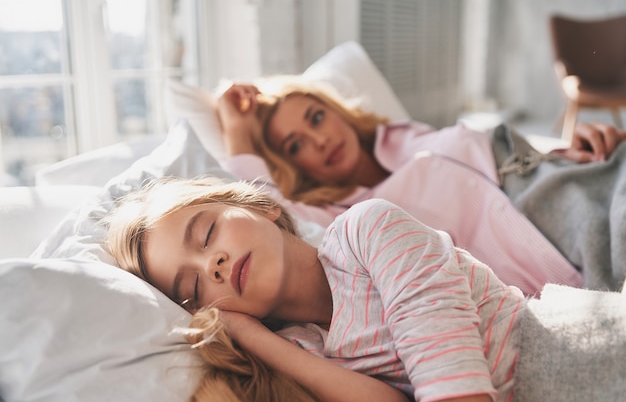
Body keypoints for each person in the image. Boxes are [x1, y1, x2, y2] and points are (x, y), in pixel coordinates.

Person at [104, 177, 626, 402]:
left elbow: (460, 400)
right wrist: (254, 339)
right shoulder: (303, 350)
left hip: (573, 356)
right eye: (193, 287)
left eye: (207, 233)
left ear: (257, 204)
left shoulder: (367, 232)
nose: (211, 264)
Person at [215, 77, 626, 294]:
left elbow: (497, 159)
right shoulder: (340, 219)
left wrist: (572, 146)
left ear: (335, 111)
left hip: (569, 176)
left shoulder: (401, 136)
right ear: (292, 167)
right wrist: (236, 127)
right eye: (296, 145)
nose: (319, 139)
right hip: (559, 233)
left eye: (316, 118)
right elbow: (260, 205)